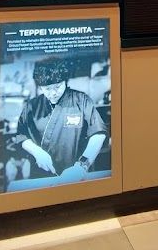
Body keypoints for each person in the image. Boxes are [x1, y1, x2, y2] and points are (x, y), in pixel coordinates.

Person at [9, 57, 107, 187]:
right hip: (41, 176)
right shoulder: (31, 106)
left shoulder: (81, 100)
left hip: (77, 174)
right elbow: (21, 136)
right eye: (47, 89)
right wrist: (36, 151)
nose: (53, 93)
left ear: (65, 82)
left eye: (57, 86)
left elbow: (98, 133)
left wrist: (82, 165)